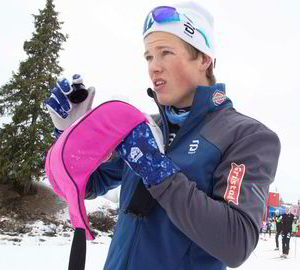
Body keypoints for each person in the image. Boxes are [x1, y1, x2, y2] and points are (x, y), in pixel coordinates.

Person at [45, 2, 281, 269]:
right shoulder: (140, 128)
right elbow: (87, 185)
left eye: (165, 52)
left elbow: (236, 242)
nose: (153, 67)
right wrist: (68, 134)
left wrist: (158, 171)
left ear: (204, 58)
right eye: (148, 56)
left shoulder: (247, 136)